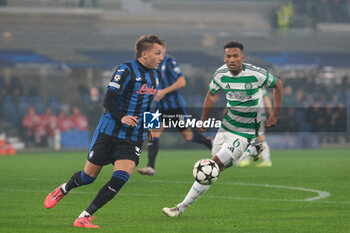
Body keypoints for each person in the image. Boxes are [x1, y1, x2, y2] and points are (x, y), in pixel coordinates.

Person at [44, 35, 164, 228]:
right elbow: (108, 100)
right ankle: (63, 189)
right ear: (144, 54)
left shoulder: (156, 76)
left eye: (162, 54)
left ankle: (84, 216)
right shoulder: (125, 70)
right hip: (109, 131)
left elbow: (151, 106)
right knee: (87, 177)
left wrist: (151, 125)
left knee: (121, 177)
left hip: (132, 137)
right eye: (157, 53)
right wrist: (122, 116)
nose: (161, 58)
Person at [162, 40, 283, 217]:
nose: (232, 59)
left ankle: (180, 208)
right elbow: (211, 95)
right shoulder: (220, 74)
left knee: (212, 166)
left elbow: (278, 84)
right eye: (228, 56)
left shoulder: (256, 74)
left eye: (235, 56)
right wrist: (203, 120)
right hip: (226, 126)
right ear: (224, 58)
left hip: (245, 131)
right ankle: (251, 151)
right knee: (218, 168)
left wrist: (275, 115)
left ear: (242, 58)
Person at [138, 46, 213, 176]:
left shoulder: (169, 62)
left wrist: (163, 92)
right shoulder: (147, 65)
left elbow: (182, 82)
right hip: (158, 107)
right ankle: (150, 167)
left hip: (174, 106)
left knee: (188, 136)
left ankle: (210, 143)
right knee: (152, 135)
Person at [236, 88, 273, 167]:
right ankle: (247, 158)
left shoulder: (259, 87)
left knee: (260, 138)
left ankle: (266, 160)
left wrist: (271, 114)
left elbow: (267, 100)